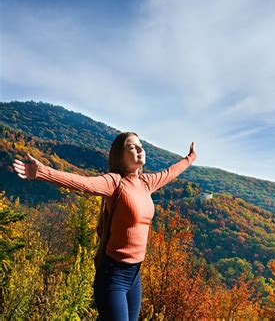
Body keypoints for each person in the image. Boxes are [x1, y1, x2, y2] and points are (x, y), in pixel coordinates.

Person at [12, 132, 197, 320]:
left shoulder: (146, 182)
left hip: (135, 276)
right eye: (132, 147)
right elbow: (84, 184)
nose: (140, 149)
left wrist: (190, 158)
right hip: (113, 276)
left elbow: (170, 173)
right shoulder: (115, 182)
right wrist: (43, 172)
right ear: (119, 156)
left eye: (141, 145)